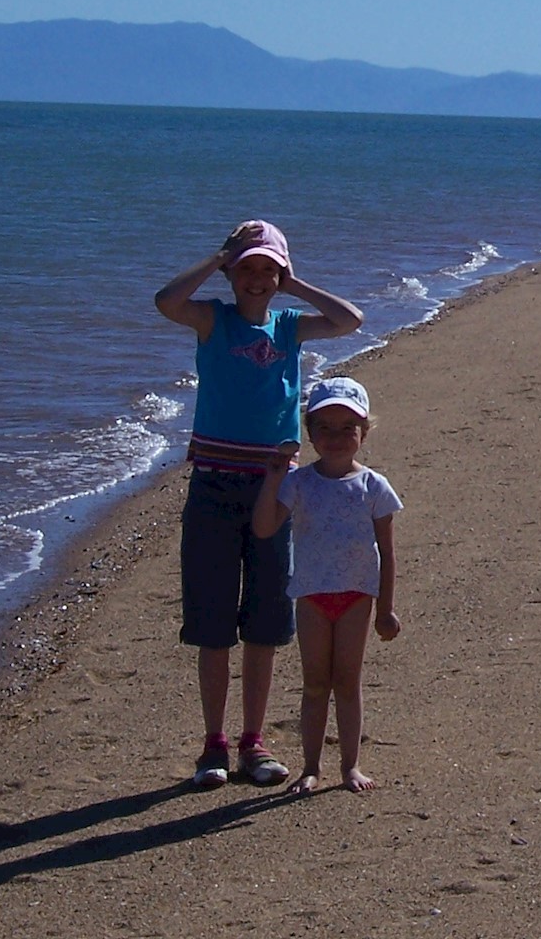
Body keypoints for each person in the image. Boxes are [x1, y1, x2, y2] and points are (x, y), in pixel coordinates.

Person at [155, 220, 364, 788]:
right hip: (214, 485)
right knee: (212, 621)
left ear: (281, 273)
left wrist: (294, 286)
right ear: (230, 270)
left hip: (275, 485)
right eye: (246, 267)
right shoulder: (212, 320)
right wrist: (218, 255)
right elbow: (167, 300)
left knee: (266, 622)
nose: (256, 279)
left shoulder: (291, 325)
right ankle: (213, 744)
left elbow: (350, 320)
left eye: (267, 269)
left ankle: (254, 741)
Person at [260, 376, 402, 794]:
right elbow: (265, 527)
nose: (336, 438)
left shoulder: (374, 486)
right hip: (312, 595)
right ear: (310, 432)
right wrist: (273, 477)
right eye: (325, 428)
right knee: (315, 683)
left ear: (364, 432)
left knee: (348, 682)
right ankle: (310, 766)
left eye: (347, 428)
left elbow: (387, 552)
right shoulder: (299, 482)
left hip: (357, 595)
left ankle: (350, 766)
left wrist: (386, 608)